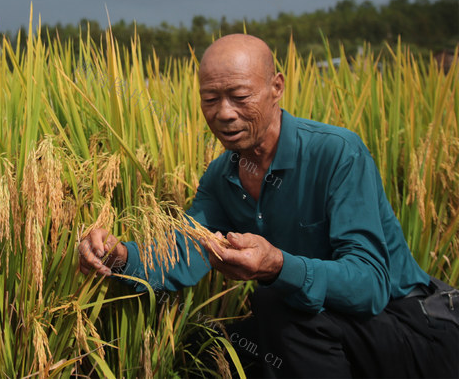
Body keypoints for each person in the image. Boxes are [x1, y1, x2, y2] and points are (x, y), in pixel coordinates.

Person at [77, 34, 459, 378]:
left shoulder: (337, 154)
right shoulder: (221, 175)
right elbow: (186, 247)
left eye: (240, 97)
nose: (224, 113)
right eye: (210, 99)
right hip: (325, 329)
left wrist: (278, 265)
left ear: (276, 87)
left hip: (408, 325)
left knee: (277, 305)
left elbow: (370, 285)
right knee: (208, 345)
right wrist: (120, 256)